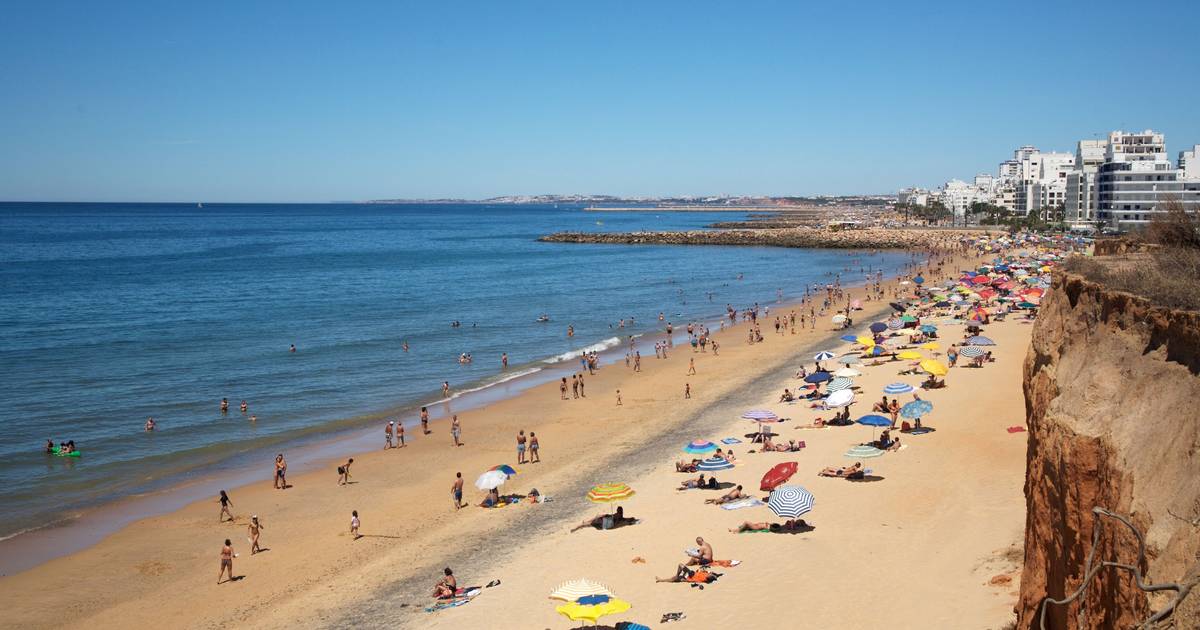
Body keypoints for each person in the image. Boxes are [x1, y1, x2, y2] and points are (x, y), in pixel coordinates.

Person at [728, 519, 808, 533]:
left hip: (759, 527)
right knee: (746, 525)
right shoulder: (790, 524)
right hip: (763, 526)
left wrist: (792, 522)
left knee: (746, 523)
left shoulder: (792, 525)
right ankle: (735, 530)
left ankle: (735, 531)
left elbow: (792, 528)